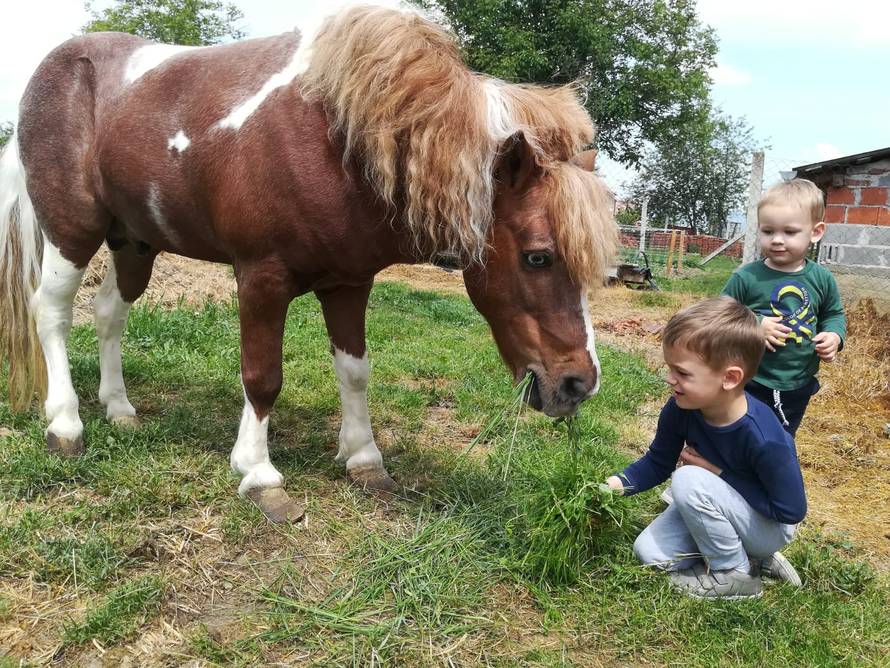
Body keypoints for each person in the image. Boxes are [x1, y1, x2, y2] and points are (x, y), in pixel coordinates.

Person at [605, 297, 806, 600]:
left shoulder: (764, 436)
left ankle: (736, 573)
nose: (670, 379)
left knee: (688, 480)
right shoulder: (681, 408)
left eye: (683, 373)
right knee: (650, 553)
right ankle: (750, 556)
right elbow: (659, 462)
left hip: (769, 527)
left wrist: (718, 473)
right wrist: (612, 486)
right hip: (721, 507)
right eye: (670, 368)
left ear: (730, 378)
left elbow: (790, 510)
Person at [722, 178, 846, 436]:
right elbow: (719, 314)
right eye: (768, 231)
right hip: (749, 377)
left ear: (815, 232)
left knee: (781, 439)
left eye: (789, 232)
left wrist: (834, 335)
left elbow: (833, 314)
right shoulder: (747, 277)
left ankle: (770, 471)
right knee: (742, 431)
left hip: (798, 381)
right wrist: (754, 322)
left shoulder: (822, 279)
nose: (777, 240)